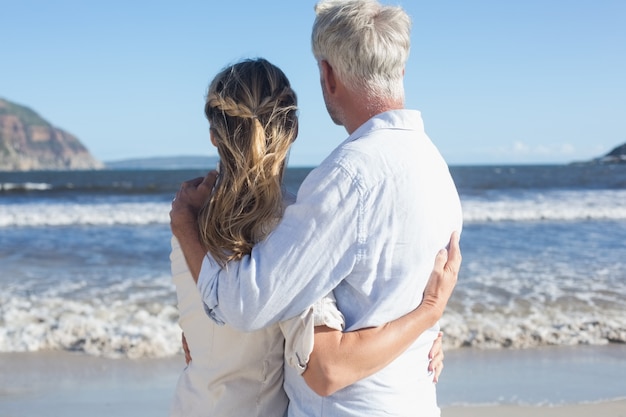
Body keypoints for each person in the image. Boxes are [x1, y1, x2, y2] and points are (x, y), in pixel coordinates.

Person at [171, 0, 464, 414]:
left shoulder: (347, 178)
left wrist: (184, 223)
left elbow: (245, 309)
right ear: (400, 68)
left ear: (327, 75)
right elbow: (398, 283)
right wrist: (429, 320)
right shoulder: (436, 168)